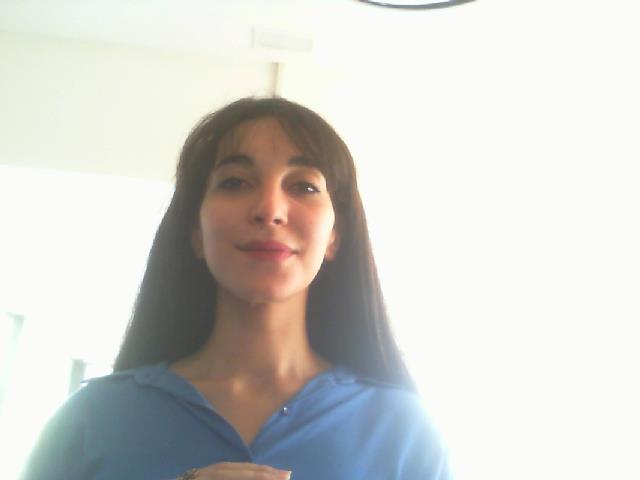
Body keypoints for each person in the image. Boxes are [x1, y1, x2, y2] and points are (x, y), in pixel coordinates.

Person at [21, 97, 452, 480]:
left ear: (335, 236)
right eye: (234, 182)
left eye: (304, 185)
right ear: (195, 232)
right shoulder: (91, 421)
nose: (270, 209)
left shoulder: (404, 431)